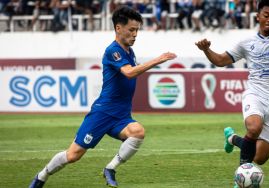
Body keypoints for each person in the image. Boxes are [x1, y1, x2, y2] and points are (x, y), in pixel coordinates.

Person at [29, 6, 177, 188]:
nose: (135, 34)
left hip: (121, 115)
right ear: (118, 28)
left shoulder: (129, 52)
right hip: (103, 113)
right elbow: (129, 73)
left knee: (138, 132)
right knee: (73, 155)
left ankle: (110, 168)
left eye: (137, 30)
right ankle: (41, 177)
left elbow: (131, 73)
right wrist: (158, 60)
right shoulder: (112, 51)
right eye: (132, 30)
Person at [195, 0, 269, 187]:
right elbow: (221, 60)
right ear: (257, 17)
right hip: (255, 94)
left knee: (260, 157)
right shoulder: (247, 42)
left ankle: (231, 138)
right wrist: (207, 50)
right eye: (266, 16)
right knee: (254, 127)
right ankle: (240, 179)